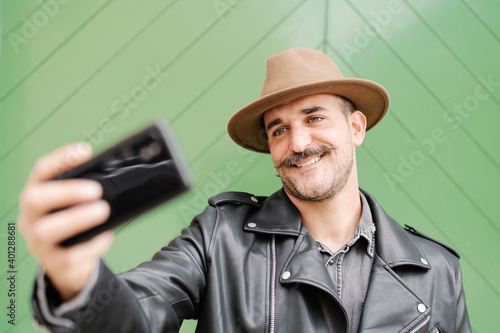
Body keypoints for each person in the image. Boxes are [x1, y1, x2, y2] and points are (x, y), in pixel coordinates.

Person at [19, 48, 471, 332]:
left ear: (355, 127)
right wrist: (76, 275)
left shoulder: (438, 271)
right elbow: (138, 314)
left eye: (314, 118)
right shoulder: (220, 237)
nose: (298, 143)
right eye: (279, 129)